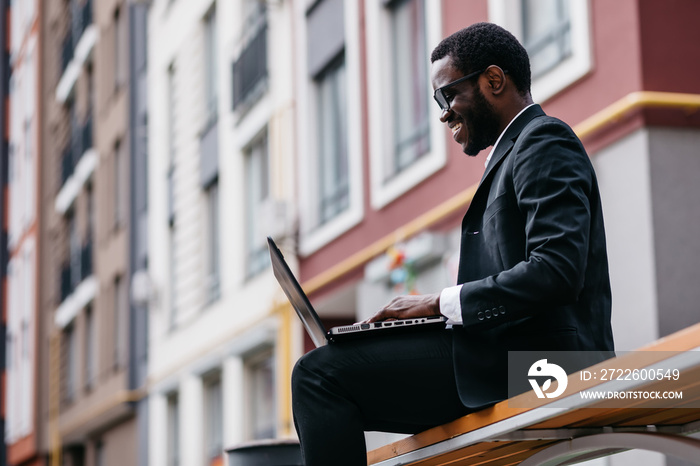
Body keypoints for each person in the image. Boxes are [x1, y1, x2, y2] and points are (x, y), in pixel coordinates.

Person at [291, 22, 614, 465]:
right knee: (333, 370)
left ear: (494, 81)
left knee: (319, 376)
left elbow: (556, 271)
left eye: (448, 96)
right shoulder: (510, 154)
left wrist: (437, 303)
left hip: (547, 366)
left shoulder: (543, 140)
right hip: (503, 361)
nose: (443, 114)